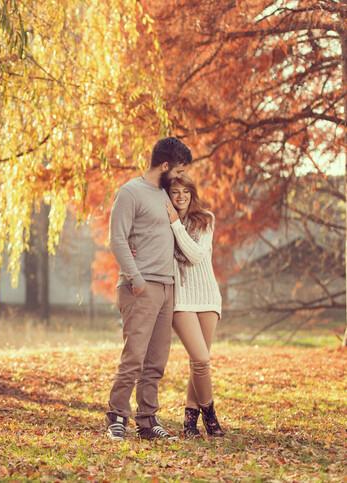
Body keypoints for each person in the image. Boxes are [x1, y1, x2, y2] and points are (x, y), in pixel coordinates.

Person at [106, 137, 192, 441]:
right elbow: (117, 239)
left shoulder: (165, 195)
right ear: (165, 165)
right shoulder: (131, 192)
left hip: (167, 287)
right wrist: (136, 278)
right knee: (134, 358)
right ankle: (117, 416)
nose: (180, 176)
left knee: (156, 361)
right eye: (178, 169)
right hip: (140, 287)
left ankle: (147, 420)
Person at [164, 175, 225, 437]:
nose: (180, 197)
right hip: (181, 300)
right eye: (175, 192)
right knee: (201, 358)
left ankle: (190, 422)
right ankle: (210, 415)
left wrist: (176, 225)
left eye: (185, 192)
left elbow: (196, 255)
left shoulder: (205, 220)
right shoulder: (161, 223)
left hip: (208, 296)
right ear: (168, 196)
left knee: (197, 363)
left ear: (192, 194)